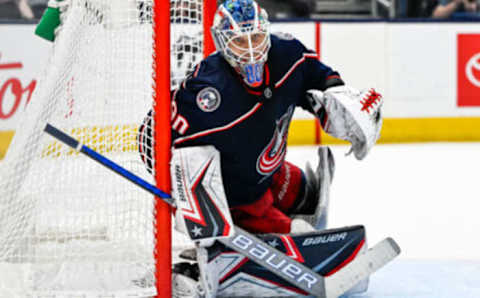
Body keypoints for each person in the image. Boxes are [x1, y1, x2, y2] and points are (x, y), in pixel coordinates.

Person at [138, 0, 383, 296]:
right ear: (223, 42)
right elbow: (149, 134)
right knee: (294, 234)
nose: (251, 49)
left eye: (255, 37)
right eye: (240, 41)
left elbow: (316, 73)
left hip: (272, 172)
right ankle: (233, 249)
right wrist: (183, 189)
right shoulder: (209, 94)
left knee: (307, 195)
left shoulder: (287, 53)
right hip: (241, 199)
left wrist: (335, 91)